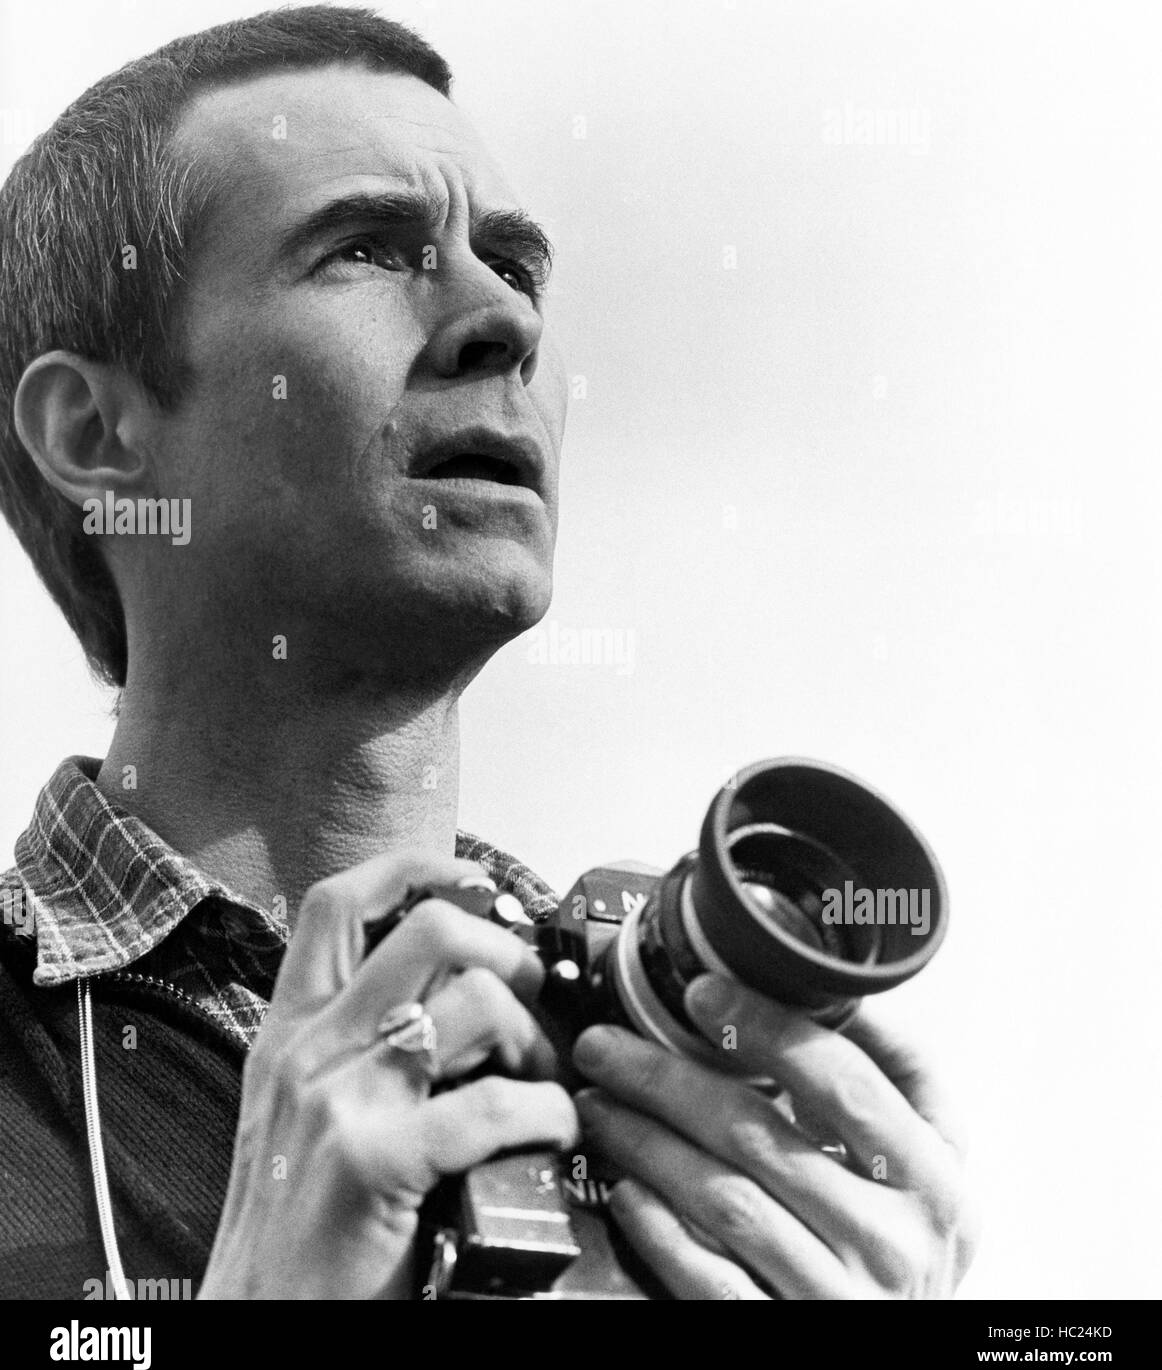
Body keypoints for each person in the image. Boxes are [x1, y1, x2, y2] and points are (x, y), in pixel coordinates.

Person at [0, 5, 978, 1300]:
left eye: (515, 268)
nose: (499, 322)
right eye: (363, 248)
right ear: (94, 432)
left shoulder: (665, 1071)